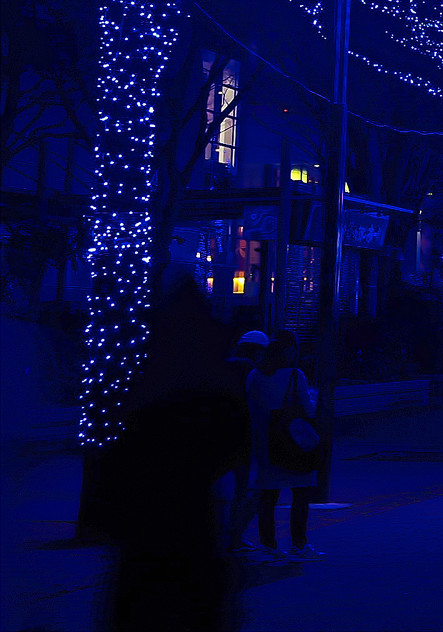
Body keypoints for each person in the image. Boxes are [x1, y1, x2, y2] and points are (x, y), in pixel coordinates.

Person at [100, 269, 248, 630]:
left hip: (148, 545)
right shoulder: (210, 393)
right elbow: (233, 445)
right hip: (191, 537)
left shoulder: (149, 392)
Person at [247, 329, 321, 562]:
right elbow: (308, 410)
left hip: (265, 444)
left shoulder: (254, 375)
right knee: (300, 494)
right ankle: (299, 544)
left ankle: (268, 545)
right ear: (290, 350)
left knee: (268, 496)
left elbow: (252, 410)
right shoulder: (294, 375)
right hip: (294, 442)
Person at [218, 331, 268, 554]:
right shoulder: (252, 372)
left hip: (219, 435)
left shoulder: (223, 366)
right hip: (244, 437)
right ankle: (235, 536)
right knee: (247, 489)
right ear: (258, 351)